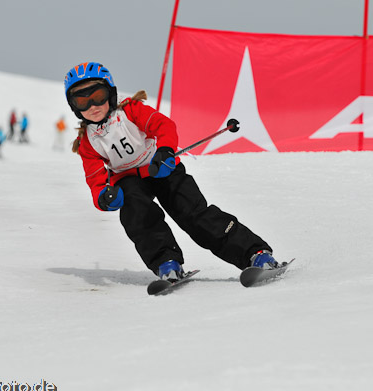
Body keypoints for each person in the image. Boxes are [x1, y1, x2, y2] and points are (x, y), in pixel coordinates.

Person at [64, 62, 280, 281]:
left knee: (194, 215)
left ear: (110, 94)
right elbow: (95, 179)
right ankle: (167, 264)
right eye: (82, 101)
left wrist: (165, 151)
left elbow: (163, 125)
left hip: (160, 168)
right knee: (138, 216)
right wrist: (104, 197)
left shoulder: (129, 111)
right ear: (74, 107)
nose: (92, 106)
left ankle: (255, 254)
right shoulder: (87, 142)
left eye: (98, 96)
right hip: (129, 181)